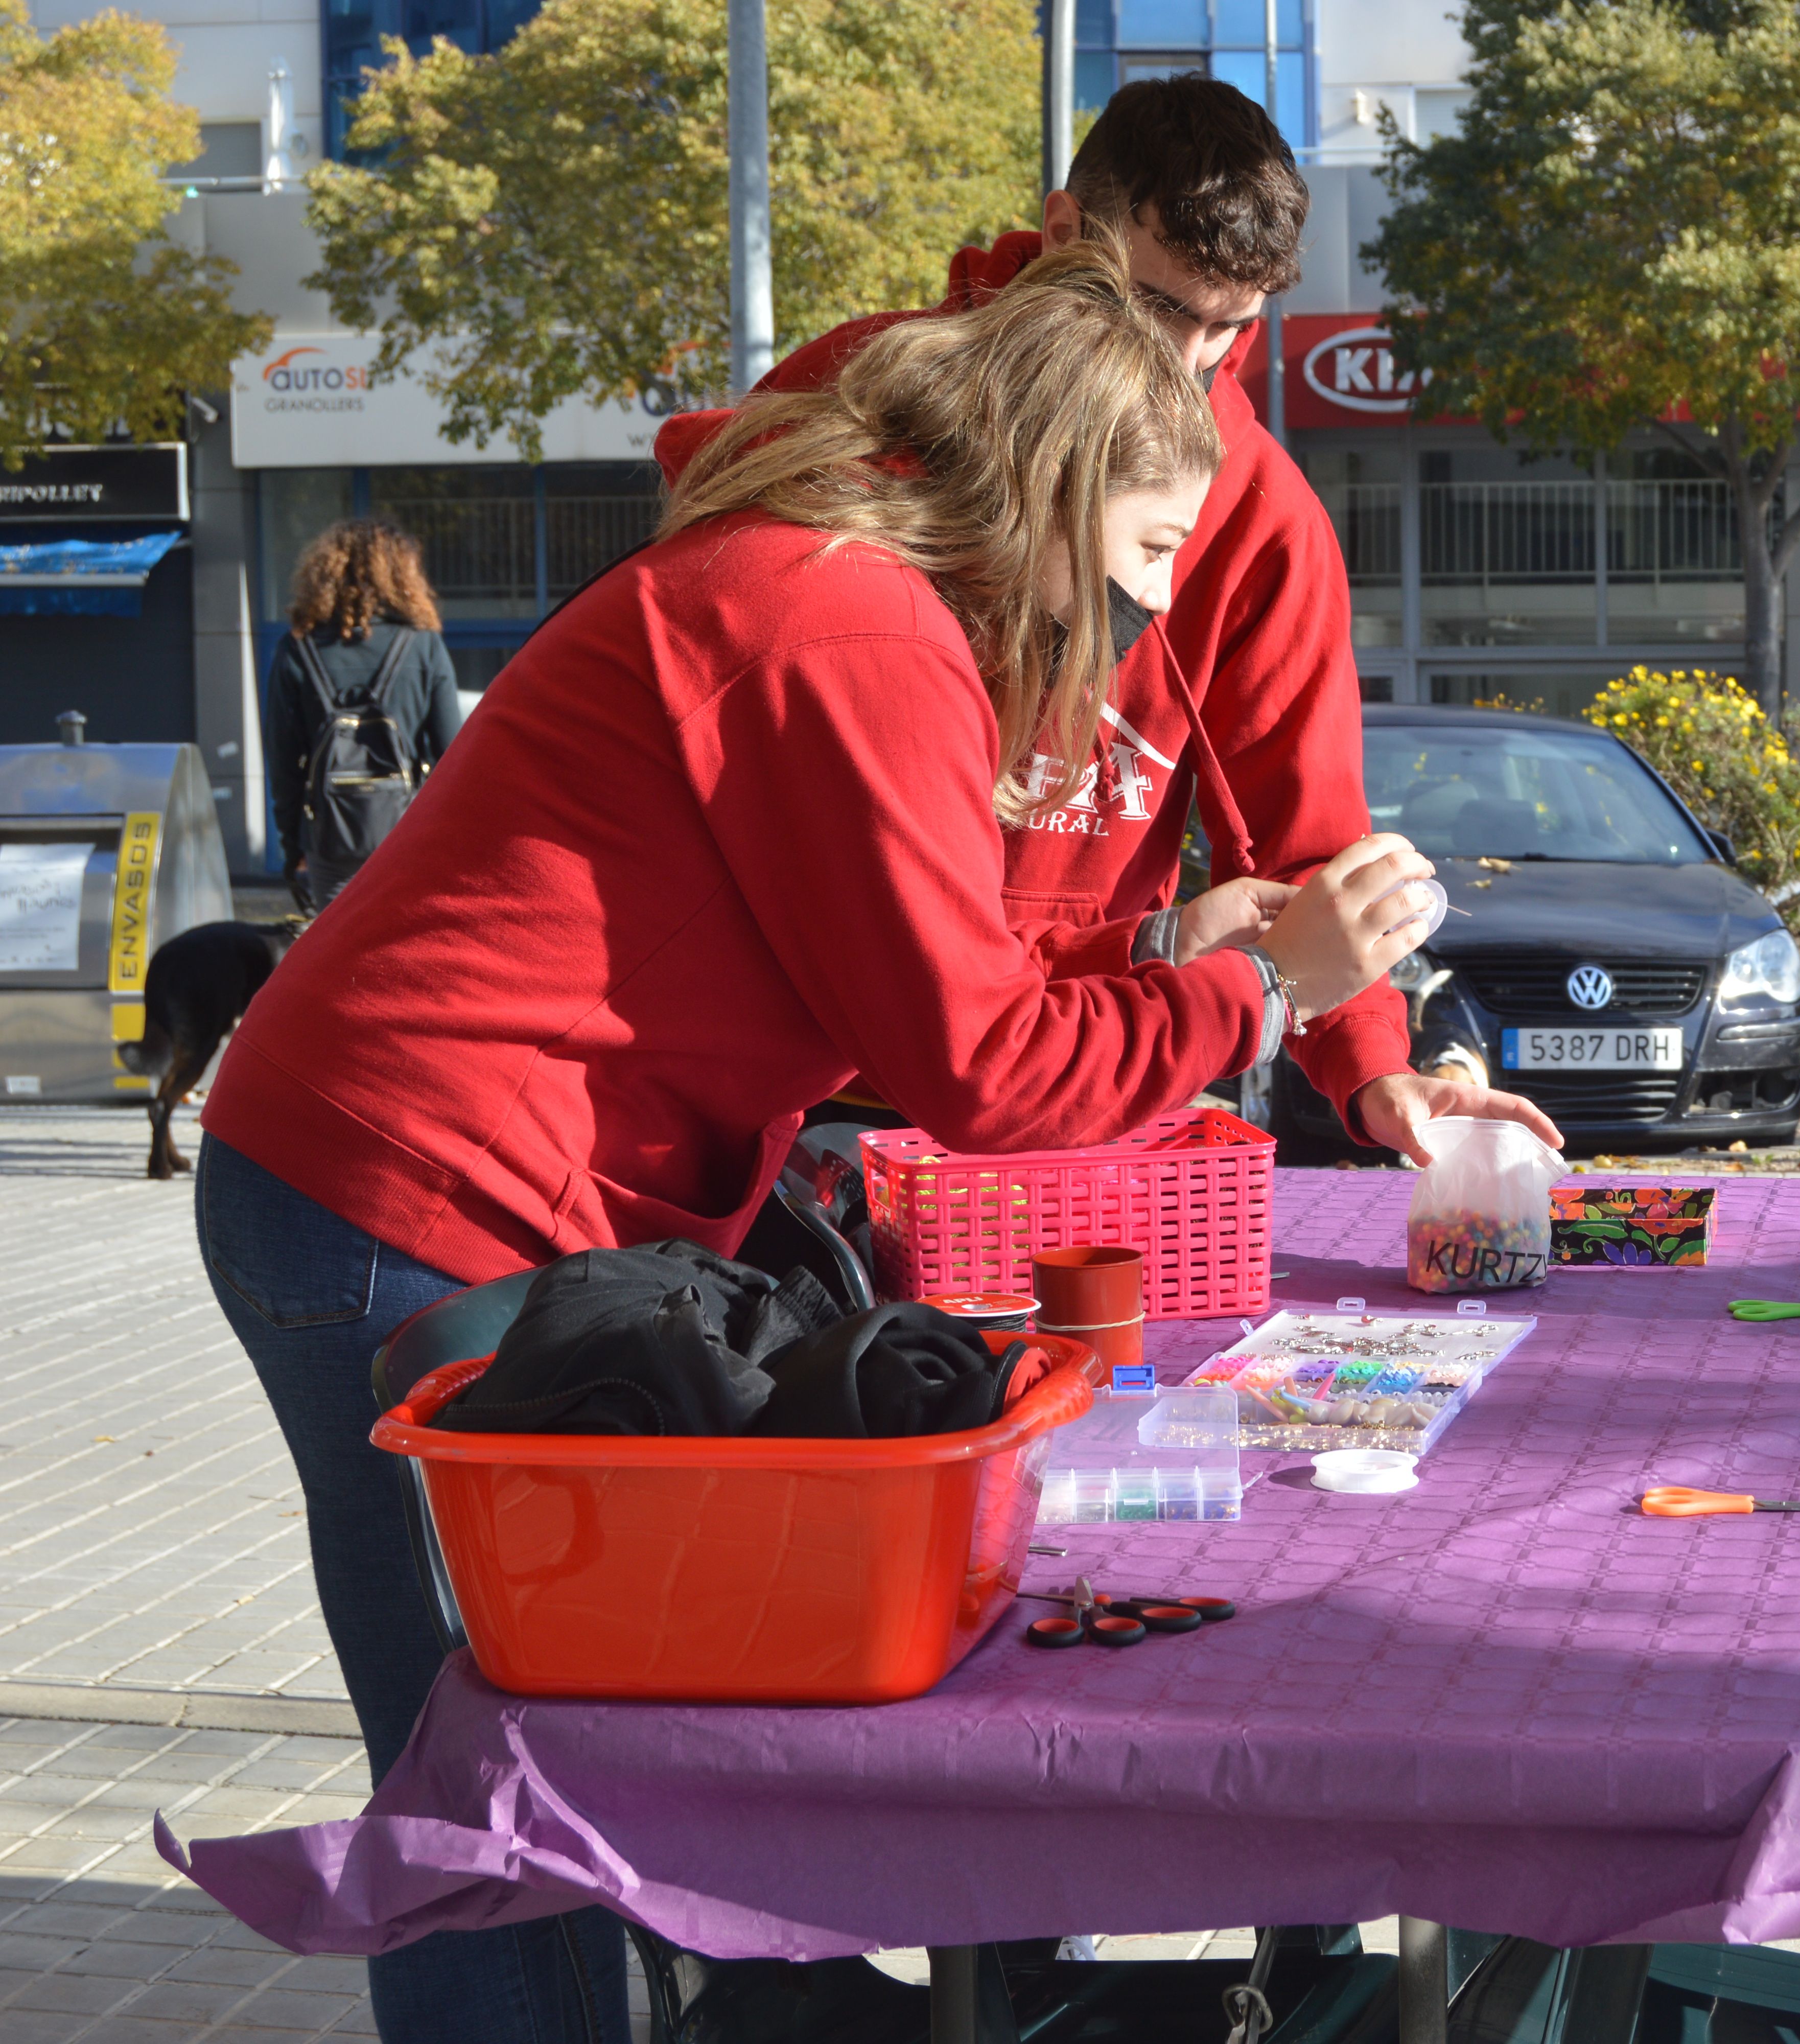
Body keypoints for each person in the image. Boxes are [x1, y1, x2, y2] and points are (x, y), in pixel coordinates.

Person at [195, 243, 1489, 2044]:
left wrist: (1178, 965)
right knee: (497, 1775)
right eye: (1147, 562)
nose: (1157, 615)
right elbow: (979, 1067)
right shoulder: (847, 622)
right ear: (1046, 495)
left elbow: (926, 978)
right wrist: (1267, 987)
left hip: (488, 1185)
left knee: (555, 1746)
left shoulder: (856, 597)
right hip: (403, 1187)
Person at [650, 75, 1536, 1167]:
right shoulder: (867, 394)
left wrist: (1371, 1067)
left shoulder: (1262, 513)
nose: (1188, 360)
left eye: (1233, 328)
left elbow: (1302, 836)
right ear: (1065, 229)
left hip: (1070, 1065)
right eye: (1163, 307)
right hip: (803, 1073)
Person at [269, 517, 464, 909]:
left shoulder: (298, 650)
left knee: (340, 960)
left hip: (330, 840)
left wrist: (294, 846)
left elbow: (284, 762)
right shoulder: (423, 647)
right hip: (408, 837)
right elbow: (453, 756)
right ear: (404, 575)